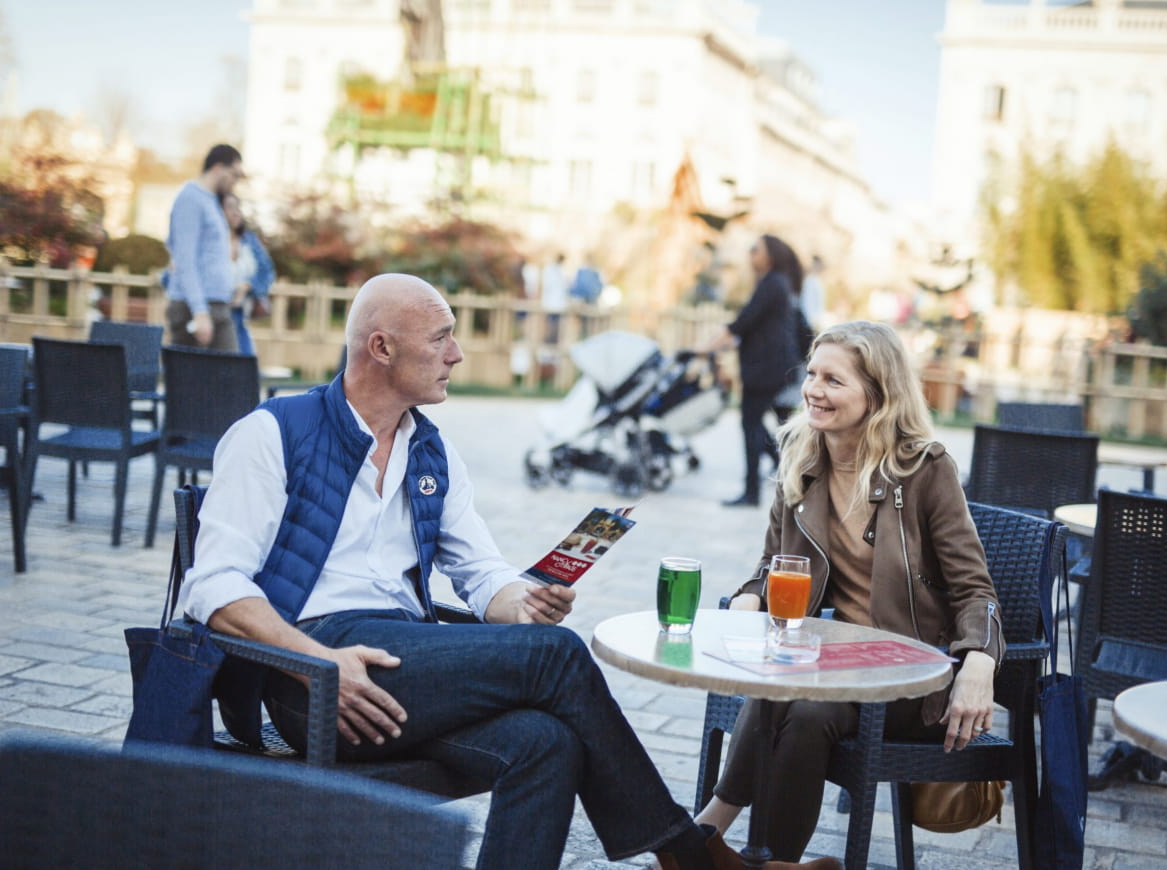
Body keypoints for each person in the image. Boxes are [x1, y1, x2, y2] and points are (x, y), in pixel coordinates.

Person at [177, 273, 837, 870]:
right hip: (312, 676)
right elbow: (212, 587)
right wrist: (318, 662)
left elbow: (480, 571)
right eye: (440, 338)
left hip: (405, 665)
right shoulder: (273, 432)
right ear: (381, 348)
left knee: (546, 742)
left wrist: (522, 603)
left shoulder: (430, 450)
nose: (457, 354)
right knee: (555, 657)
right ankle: (688, 856)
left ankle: (685, 856)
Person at [693, 320, 1004, 863]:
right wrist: (749, 596)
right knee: (802, 704)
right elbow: (773, 563)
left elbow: (974, 588)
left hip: (910, 677)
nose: (814, 390)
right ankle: (771, 861)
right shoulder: (802, 457)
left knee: (798, 697)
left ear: (877, 395)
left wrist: (980, 661)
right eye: (812, 374)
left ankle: (704, 835)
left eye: (834, 381)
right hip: (833, 668)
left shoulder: (924, 469)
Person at [700, 234, 804, 507]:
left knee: (751, 424)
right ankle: (783, 473)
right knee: (761, 425)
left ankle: (752, 491)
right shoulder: (777, 283)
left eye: (755, 249)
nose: (750, 254)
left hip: (765, 369)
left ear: (770, 255)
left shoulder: (772, 283)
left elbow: (742, 322)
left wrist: (704, 348)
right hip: (772, 367)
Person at [165, 144, 244, 351]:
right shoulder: (190, 199)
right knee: (194, 372)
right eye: (234, 174)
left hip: (217, 305)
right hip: (194, 308)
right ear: (218, 168)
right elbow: (185, 259)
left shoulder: (212, 202)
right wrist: (199, 312)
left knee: (231, 369)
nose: (235, 181)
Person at [220, 191, 276, 356]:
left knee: (245, 360)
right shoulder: (209, 241)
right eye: (230, 207)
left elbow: (267, 272)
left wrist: (248, 286)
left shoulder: (249, 240)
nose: (236, 212)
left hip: (239, 314)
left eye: (238, 207)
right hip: (213, 312)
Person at [801, 255, 826, 330]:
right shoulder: (809, 281)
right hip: (809, 321)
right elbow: (807, 303)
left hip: (814, 321)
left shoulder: (816, 281)